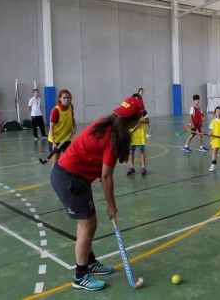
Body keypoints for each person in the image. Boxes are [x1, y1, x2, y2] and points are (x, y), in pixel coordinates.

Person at [50, 96, 144, 291]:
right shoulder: (113, 138)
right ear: (133, 120)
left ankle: (90, 262)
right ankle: (80, 275)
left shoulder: (107, 123)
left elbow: (99, 164)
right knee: (87, 224)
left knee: (90, 222)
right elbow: (106, 177)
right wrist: (111, 207)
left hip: (76, 178)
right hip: (69, 179)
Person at [48, 89, 76, 164]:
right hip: (56, 140)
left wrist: (74, 127)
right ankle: (54, 175)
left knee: (68, 160)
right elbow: (51, 127)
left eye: (68, 98)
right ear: (60, 98)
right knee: (56, 163)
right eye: (64, 98)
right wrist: (53, 143)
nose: (66, 100)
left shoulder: (70, 107)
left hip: (66, 139)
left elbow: (72, 118)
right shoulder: (55, 111)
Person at [127, 94, 150, 176]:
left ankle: (143, 168)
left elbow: (148, 121)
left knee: (142, 151)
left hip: (140, 136)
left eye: (138, 99)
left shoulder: (143, 111)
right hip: (132, 134)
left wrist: (141, 120)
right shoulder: (129, 111)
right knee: (131, 152)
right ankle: (132, 167)